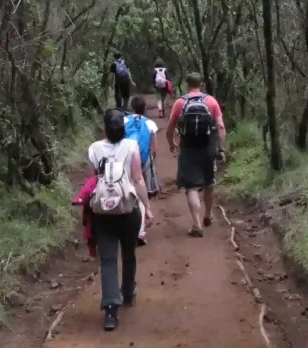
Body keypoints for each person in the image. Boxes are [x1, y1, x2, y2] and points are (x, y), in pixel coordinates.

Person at [87, 108, 153, 331]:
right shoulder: (131, 146)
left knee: (107, 260)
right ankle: (128, 292)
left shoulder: (94, 149)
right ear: (123, 128)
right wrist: (148, 207)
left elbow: (92, 183)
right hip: (127, 209)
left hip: (102, 214)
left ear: (104, 127)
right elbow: (138, 179)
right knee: (129, 253)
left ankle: (110, 312)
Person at [166, 72, 227, 237]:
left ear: (187, 85)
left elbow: (170, 128)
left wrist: (172, 143)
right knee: (209, 182)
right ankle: (208, 214)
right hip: (208, 147)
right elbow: (220, 127)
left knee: (191, 187)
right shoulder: (211, 101)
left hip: (188, 148)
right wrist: (220, 148)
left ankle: (197, 224)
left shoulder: (180, 103)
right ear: (201, 84)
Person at [126, 96, 161, 199]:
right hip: (143, 155)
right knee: (149, 165)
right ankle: (150, 189)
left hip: (128, 154)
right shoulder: (150, 123)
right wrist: (153, 155)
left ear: (132, 107)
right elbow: (154, 147)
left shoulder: (124, 120)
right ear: (144, 108)